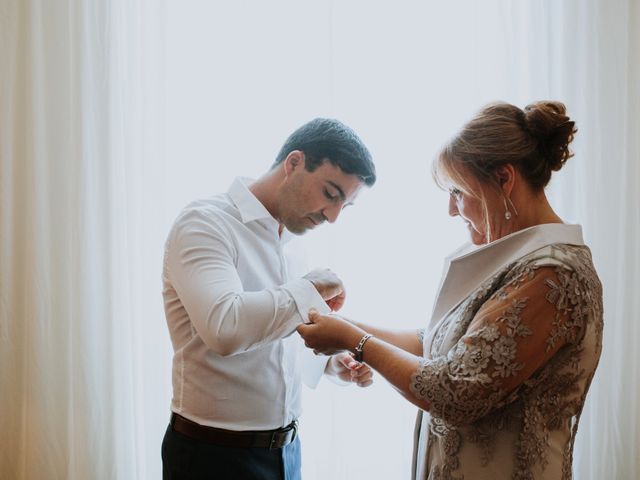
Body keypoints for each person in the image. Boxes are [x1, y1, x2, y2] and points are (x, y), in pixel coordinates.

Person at [297, 101, 603, 479]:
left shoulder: (553, 274)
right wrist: (340, 324)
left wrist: (354, 340)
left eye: (457, 191)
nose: (451, 210)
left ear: (504, 179)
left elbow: (454, 390)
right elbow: (437, 343)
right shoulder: (512, 260)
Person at [161, 118, 377, 480]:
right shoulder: (204, 224)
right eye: (331, 193)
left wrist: (329, 365)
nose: (333, 217)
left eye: (345, 206)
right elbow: (225, 328)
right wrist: (308, 288)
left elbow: (271, 338)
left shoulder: (292, 248)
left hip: (287, 453)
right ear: (293, 164)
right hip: (213, 458)